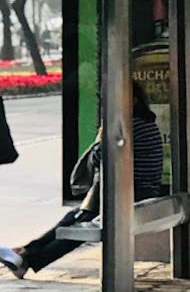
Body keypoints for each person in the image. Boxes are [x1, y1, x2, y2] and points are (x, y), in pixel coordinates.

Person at [0, 80, 163, 279]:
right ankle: (26, 254)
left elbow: (99, 157)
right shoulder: (145, 122)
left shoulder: (129, 126)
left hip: (131, 193)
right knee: (74, 217)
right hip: (135, 190)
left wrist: (102, 134)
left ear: (132, 100)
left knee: (81, 222)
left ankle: (26, 257)